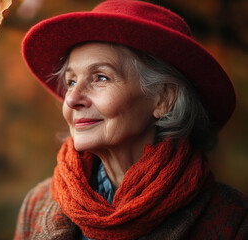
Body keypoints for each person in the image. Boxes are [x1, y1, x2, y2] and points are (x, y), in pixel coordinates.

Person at [14, 0, 248, 239]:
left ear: (164, 99)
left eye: (101, 78)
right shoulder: (37, 203)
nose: (72, 98)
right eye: (71, 81)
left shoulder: (233, 217)